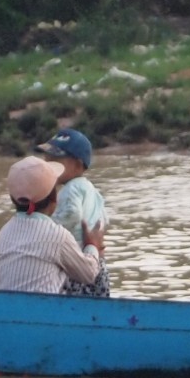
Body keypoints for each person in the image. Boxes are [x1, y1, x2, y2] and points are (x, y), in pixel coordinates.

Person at [0, 155, 105, 294]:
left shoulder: (5, 231)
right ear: (54, 198)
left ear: (13, 199)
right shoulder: (57, 236)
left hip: (4, 312)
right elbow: (89, 274)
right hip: (40, 314)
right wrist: (92, 245)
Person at [38, 128, 111, 298]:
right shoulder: (91, 190)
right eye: (47, 158)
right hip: (97, 261)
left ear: (78, 165)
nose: (47, 163)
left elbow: (72, 214)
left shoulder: (71, 190)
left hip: (78, 262)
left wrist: (47, 224)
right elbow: (103, 219)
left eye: (55, 159)